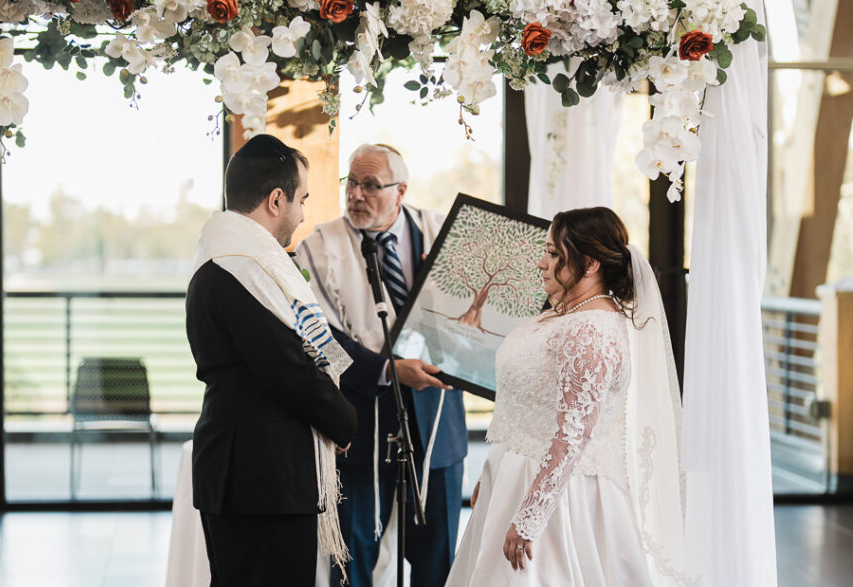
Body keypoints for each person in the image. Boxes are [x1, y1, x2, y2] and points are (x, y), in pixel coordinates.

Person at [445, 207, 691, 586]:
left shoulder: (591, 331)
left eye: (554, 253)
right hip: (513, 479)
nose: (542, 262)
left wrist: (530, 518)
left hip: (560, 500)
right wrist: (492, 473)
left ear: (590, 263)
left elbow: (571, 437)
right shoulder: (562, 315)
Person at [186, 134, 358, 586]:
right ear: (276, 200)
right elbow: (291, 370)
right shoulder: (243, 270)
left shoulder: (226, 261)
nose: (303, 214)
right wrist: (344, 422)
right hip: (260, 479)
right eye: (301, 199)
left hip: (252, 474)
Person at [294, 143, 468, 587]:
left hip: (437, 423)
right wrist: (388, 370)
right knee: (351, 559)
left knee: (437, 560)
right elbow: (319, 336)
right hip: (359, 421)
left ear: (400, 191)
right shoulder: (319, 246)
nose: (355, 194)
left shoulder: (442, 234)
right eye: (351, 183)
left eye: (370, 185)